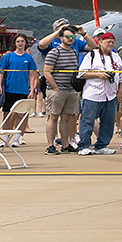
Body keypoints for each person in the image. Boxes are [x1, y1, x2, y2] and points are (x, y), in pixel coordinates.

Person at [75, 30, 122, 155]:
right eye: (108, 42)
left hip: (111, 95)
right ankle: (84, 145)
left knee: (108, 122)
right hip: (93, 94)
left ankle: (101, 145)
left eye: (112, 42)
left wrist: (120, 92)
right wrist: (98, 75)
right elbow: (81, 73)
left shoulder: (116, 57)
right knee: (87, 120)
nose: (110, 44)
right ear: (100, 42)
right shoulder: (91, 55)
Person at [38, 23, 84, 154]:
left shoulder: (75, 51)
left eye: (72, 36)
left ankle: (65, 144)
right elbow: (47, 72)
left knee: (66, 118)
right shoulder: (54, 52)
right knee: (53, 117)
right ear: (61, 37)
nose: (70, 38)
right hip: (57, 90)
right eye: (67, 36)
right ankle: (50, 145)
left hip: (71, 90)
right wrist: (55, 87)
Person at [1, 33, 37, 147]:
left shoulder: (29, 58)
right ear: (15, 43)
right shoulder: (8, 57)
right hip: (9, 89)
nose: (20, 43)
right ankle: (4, 138)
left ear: (25, 43)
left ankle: (17, 138)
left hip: (22, 90)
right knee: (7, 113)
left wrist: (31, 88)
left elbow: (32, 74)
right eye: (18, 41)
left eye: (22, 41)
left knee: (20, 114)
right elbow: (1, 72)